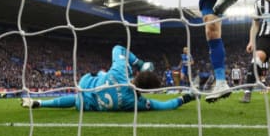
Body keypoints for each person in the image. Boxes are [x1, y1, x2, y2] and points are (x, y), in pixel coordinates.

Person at [21, 45, 195, 112]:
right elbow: (165, 105)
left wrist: (140, 63)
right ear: (145, 92)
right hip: (87, 106)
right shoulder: (135, 103)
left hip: (86, 83)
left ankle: (40, 103)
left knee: (103, 74)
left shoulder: (121, 71)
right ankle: (41, 104)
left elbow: (117, 48)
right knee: (78, 101)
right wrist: (187, 97)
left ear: (137, 75)